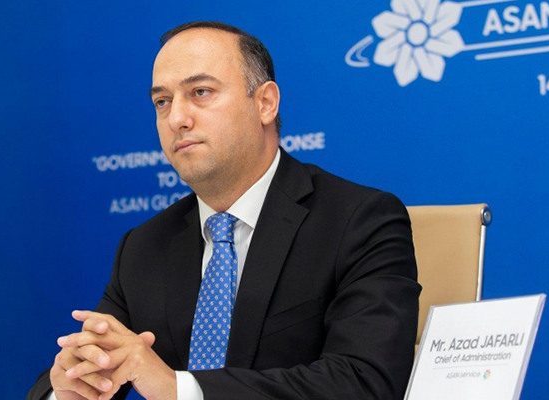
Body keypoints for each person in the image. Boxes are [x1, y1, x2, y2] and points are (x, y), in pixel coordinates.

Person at [26, 21, 420, 400]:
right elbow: (94, 368)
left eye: (200, 92)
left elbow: (365, 382)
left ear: (265, 103)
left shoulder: (359, 221)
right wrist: (70, 389)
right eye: (162, 102)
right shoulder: (143, 247)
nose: (177, 119)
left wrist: (178, 390)